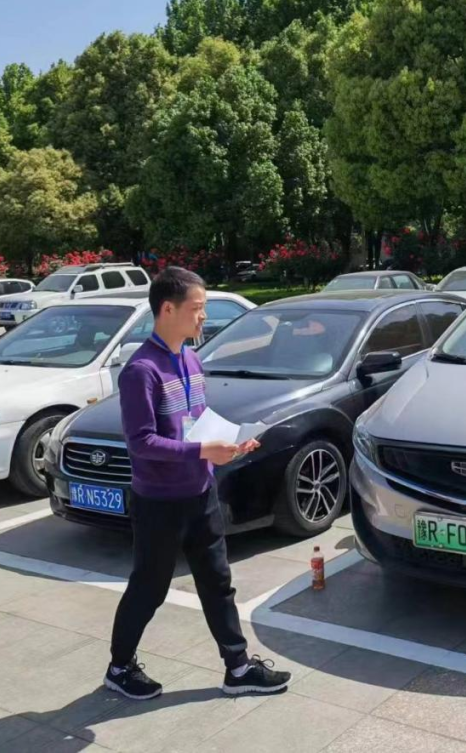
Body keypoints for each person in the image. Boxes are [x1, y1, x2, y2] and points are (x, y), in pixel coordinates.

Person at [105, 267, 290, 700]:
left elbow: (194, 422)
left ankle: (238, 668)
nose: (203, 317)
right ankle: (119, 667)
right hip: (159, 503)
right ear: (167, 309)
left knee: (218, 583)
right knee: (149, 589)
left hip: (201, 493)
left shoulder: (190, 358)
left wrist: (230, 444)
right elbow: (141, 442)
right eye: (197, 308)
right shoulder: (141, 371)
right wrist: (203, 450)